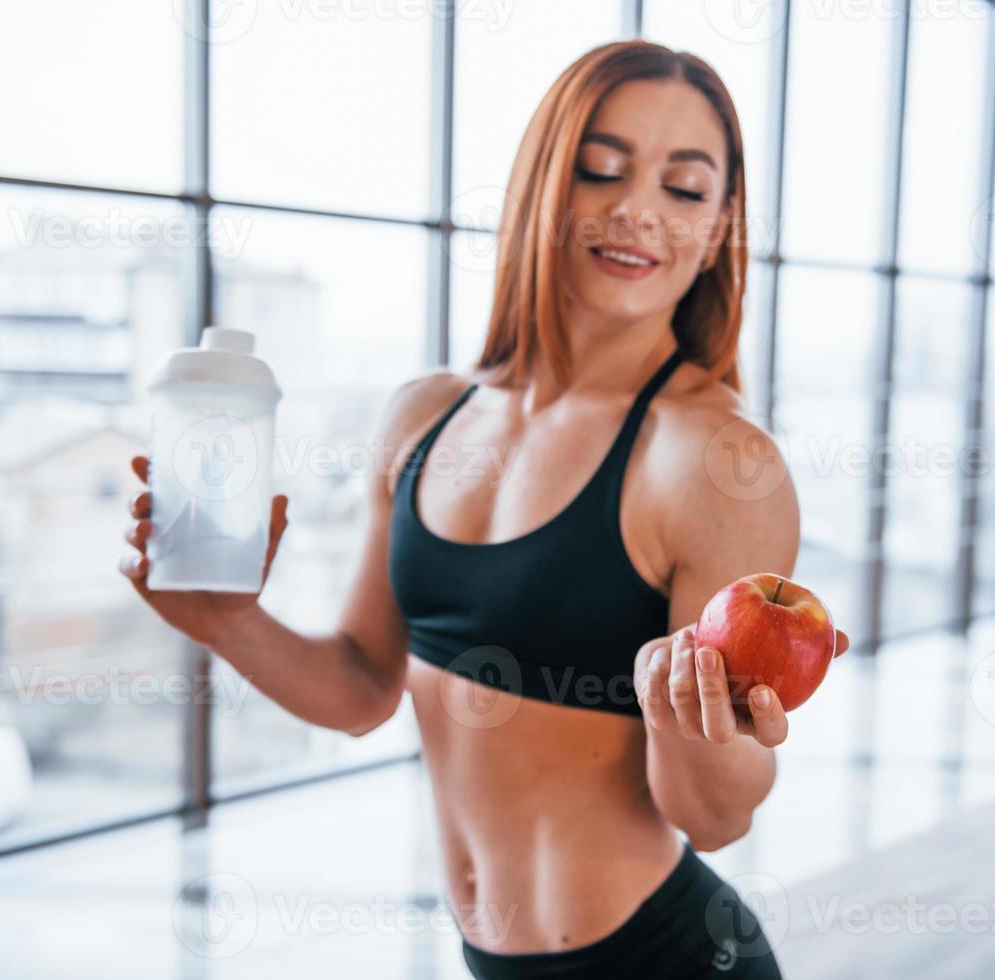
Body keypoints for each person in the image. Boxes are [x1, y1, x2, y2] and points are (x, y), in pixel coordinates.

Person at [121, 38, 849, 979]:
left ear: (717, 230)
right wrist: (225, 619)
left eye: (685, 188)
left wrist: (684, 715)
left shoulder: (714, 460)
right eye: (602, 169)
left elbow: (716, 813)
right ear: (544, 187)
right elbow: (357, 690)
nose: (637, 210)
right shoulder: (426, 415)